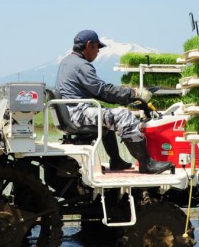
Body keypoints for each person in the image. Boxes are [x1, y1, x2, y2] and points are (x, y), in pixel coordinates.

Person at [55, 29, 173, 174]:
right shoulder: (82, 65)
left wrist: (125, 97)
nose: (98, 52)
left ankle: (116, 160)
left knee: (107, 115)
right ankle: (146, 164)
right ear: (89, 45)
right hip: (77, 113)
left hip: (70, 111)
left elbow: (97, 92)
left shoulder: (67, 62)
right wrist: (134, 93)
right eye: (97, 47)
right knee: (124, 116)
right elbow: (102, 90)